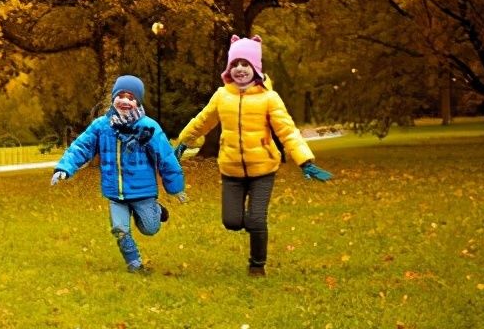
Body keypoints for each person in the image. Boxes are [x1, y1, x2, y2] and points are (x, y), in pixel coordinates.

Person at [174, 35, 332, 276]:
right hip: (231, 170)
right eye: (235, 63)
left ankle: (257, 265)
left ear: (255, 68)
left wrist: (305, 160)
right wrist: (184, 141)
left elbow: (287, 131)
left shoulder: (270, 98)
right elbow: (203, 120)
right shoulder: (221, 96)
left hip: (263, 170)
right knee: (232, 222)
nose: (239, 69)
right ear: (229, 69)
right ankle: (252, 224)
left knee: (256, 220)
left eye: (245, 64)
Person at [51, 75, 186, 274]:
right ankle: (135, 264)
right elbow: (81, 147)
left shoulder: (148, 127)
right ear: (114, 98)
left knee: (150, 228)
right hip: (115, 193)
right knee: (119, 229)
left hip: (143, 192)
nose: (125, 101)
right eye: (120, 95)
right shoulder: (101, 126)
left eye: (131, 97)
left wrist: (176, 188)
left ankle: (156, 211)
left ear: (138, 102)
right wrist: (64, 168)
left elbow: (165, 157)